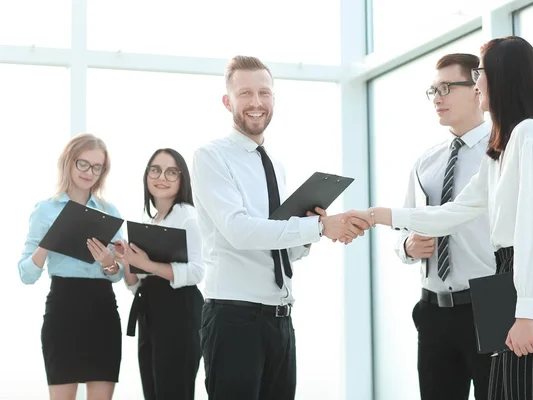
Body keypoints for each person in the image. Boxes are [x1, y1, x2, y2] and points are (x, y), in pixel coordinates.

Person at [350, 36, 533, 399]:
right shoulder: (505, 145)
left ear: (501, 77)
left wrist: (528, 313)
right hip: (513, 285)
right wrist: (375, 215)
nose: (478, 81)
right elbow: (452, 213)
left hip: (532, 290)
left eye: (479, 73)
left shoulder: (531, 135)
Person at [191, 55, 369, 399]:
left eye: (264, 93)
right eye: (245, 94)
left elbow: (282, 247)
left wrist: (312, 232)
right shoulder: (211, 156)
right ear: (228, 101)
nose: (256, 103)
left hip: (280, 318)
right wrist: (319, 227)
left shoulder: (275, 163)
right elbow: (240, 231)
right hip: (233, 318)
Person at [397, 53, 495, 400]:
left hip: (490, 306)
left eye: (448, 87)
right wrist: (407, 247)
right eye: (433, 89)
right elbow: (405, 225)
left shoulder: (502, 150)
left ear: (477, 90)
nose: (438, 97)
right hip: (433, 312)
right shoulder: (427, 161)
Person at [18, 133, 123, 400]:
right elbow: (26, 275)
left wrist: (109, 263)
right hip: (64, 309)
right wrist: (49, 242)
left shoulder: (109, 211)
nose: (89, 172)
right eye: (83, 164)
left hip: (102, 311)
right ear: (69, 162)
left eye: (97, 167)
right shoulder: (45, 210)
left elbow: (117, 275)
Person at [115, 148, 205, 400]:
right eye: (155, 170)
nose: (161, 177)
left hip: (180, 314)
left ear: (182, 178)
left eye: (170, 171)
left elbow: (198, 271)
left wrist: (149, 264)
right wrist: (127, 262)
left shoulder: (188, 216)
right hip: (150, 313)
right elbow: (136, 285)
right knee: (153, 392)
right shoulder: (153, 221)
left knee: (173, 391)